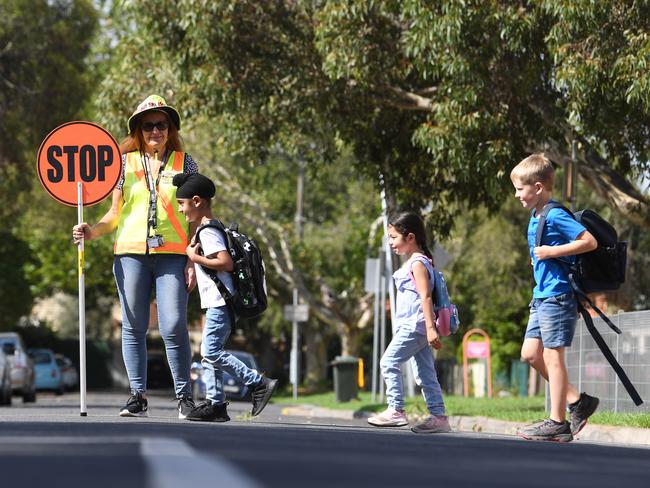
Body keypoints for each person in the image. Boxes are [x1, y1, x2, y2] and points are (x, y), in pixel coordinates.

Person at [72, 95, 197, 419]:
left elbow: (196, 215)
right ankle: (137, 396)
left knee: (172, 326)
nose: (155, 130)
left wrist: (194, 259)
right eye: (148, 125)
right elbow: (114, 214)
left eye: (161, 125)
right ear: (138, 131)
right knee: (133, 326)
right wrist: (91, 231)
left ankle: (184, 397)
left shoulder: (186, 164)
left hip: (173, 254)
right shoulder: (123, 164)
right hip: (130, 253)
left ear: (171, 129)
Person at [173, 172, 278, 422]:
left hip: (222, 302)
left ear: (197, 201)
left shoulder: (208, 231)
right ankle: (216, 405)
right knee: (208, 352)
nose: (180, 210)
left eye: (182, 203)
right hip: (218, 302)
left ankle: (258, 383)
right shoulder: (209, 227)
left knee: (211, 351)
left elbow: (225, 262)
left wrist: (193, 256)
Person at [511, 153, 600, 442]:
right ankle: (578, 402)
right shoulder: (535, 216)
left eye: (520, 189)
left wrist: (551, 253)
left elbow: (589, 241)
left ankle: (557, 421)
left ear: (538, 187)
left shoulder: (555, 213)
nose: (516, 195)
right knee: (530, 354)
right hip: (541, 296)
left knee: (552, 357)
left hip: (558, 296)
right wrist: (538, 259)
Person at [368, 211, 451, 434]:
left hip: (416, 326)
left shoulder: (418, 263)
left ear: (410, 237)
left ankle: (396, 410)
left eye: (394, 237)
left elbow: (425, 296)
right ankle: (439, 417)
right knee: (425, 373)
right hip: (417, 326)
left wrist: (430, 329)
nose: (391, 243)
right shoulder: (420, 261)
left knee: (388, 362)